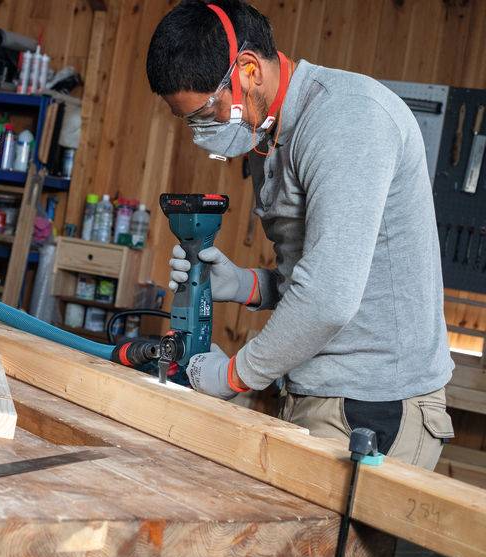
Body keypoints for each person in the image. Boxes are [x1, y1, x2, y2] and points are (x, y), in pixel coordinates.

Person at [146, 0, 454, 470]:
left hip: (373, 407)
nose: (201, 129)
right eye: (189, 120)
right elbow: (315, 271)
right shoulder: (268, 134)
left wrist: (234, 374)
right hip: (319, 390)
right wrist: (246, 285)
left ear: (248, 70)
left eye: (205, 111)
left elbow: (329, 297)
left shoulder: (347, 120)